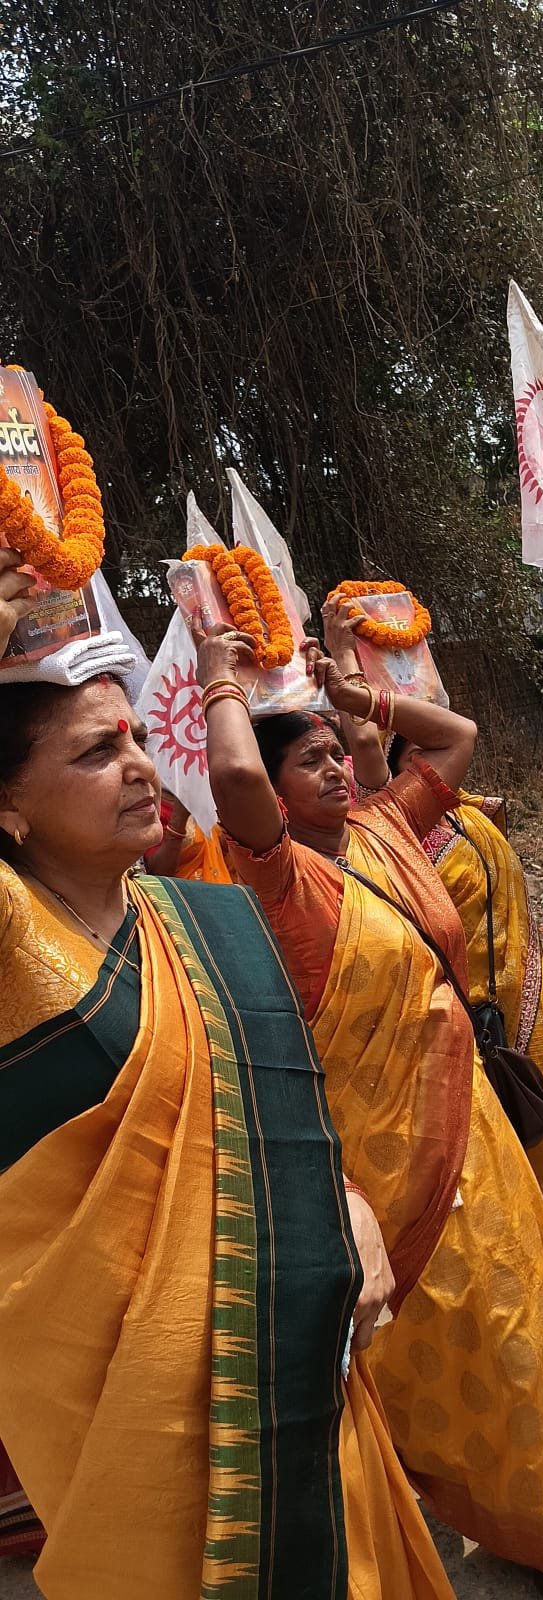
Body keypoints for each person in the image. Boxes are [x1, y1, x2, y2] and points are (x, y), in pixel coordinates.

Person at [0, 547, 455, 1600]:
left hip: (289, 1343)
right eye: (95, 753)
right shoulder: (17, 940)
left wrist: (348, 1204)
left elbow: (270, 1107)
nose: (141, 767)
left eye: (134, 739)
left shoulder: (195, 920)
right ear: (8, 807)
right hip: (118, 1391)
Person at [193, 617, 543, 1600]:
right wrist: (218, 677)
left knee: (526, 1323)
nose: (335, 767)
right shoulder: (279, 877)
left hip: (472, 1127)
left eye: (338, 754)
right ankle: (474, 1495)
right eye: (310, 761)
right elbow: (232, 775)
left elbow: (456, 737)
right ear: (272, 796)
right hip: (383, 1158)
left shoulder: (384, 826)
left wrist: (361, 700)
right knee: (447, 1342)